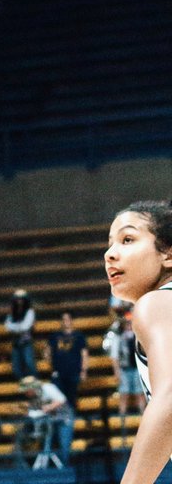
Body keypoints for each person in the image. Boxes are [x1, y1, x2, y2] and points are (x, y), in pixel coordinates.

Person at [104, 201, 172, 482]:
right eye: (109, 244)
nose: (110, 254)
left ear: (168, 254)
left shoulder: (156, 303)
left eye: (127, 239)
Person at [18, 375, 73, 468]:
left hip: (64, 420)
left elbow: (62, 400)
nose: (25, 393)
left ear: (31, 388)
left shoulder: (48, 388)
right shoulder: (34, 397)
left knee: (64, 446)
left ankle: (64, 470)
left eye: (26, 391)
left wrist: (48, 407)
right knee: (46, 445)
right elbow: (36, 410)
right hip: (49, 421)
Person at [47, 310, 87, 408]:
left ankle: (71, 419)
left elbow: (84, 355)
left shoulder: (78, 336)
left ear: (71, 320)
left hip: (73, 371)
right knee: (58, 397)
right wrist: (52, 364)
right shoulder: (55, 336)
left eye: (67, 319)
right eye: (63, 319)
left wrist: (83, 370)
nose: (66, 321)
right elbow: (47, 352)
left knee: (71, 397)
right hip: (59, 372)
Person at [5, 288, 36, 380]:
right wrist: (18, 327)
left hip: (26, 343)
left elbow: (25, 327)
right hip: (16, 343)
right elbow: (7, 326)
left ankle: (34, 384)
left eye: (21, 299)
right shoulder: (12, 313)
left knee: (29, 365)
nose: (19, 301)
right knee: (16, 368)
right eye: (18, 299)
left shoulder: (30, 311)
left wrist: (15, 327)